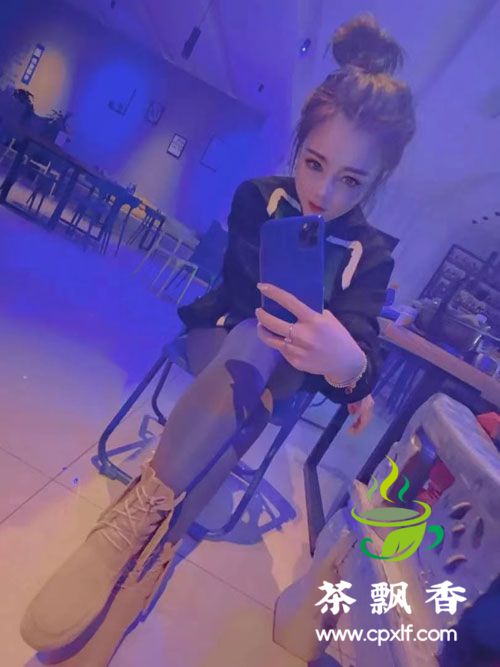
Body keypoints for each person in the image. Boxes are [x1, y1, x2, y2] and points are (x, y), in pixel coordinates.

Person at [20, 13, 416, 661]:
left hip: (278, 384)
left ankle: (142, 529)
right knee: (255, 342)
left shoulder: (370, 254)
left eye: (351, 180)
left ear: (377, 182)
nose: (322, 193)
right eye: (315, 164)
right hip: (224, 336)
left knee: (256, 401)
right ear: (297, 148)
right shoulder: (258, 197)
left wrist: (349, 366)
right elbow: (244, 292)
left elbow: (360, 362)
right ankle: (151, 540)